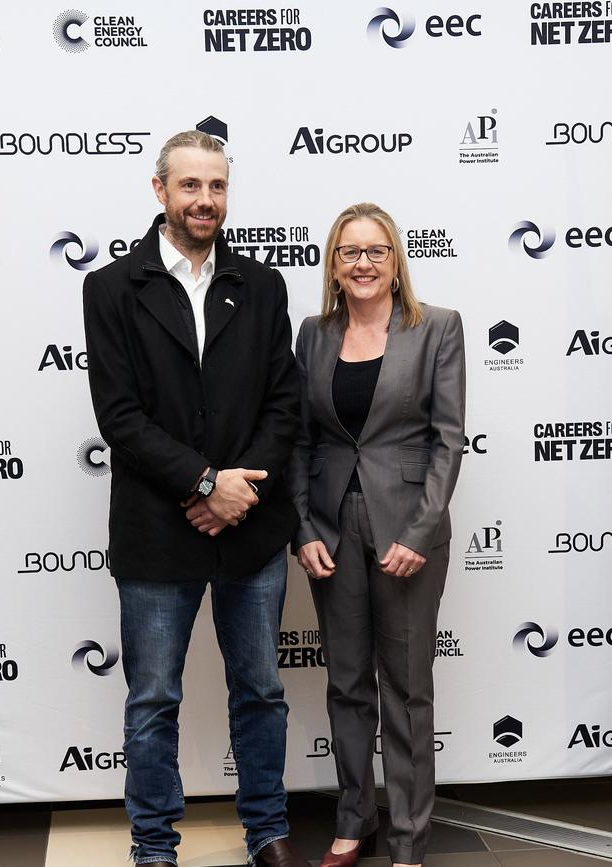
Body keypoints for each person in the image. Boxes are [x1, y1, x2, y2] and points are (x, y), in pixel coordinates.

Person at [83, 130, 309, 867]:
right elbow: (120, 418)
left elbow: (284, 403)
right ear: (160, 191)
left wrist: (237, 491)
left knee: (262, 691)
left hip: (250, 528)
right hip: (158, 530)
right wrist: (207, 482)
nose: (205, 200)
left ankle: (268, 833)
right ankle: (154, 846)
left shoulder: (262, 282)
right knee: (153, 700)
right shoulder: (113, 288)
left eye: (216, 186)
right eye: (190, 186)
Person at [287, 203, 465, 867]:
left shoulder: (437, 329)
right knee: (347, 685)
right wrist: (302, 527)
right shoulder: (313, 333)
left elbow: (448, 442)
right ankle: (353, 818)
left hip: (408, 533)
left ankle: (411, 837)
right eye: (349, 251)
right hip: (332, 532)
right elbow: (300, 440)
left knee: (408, 689)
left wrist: (420, 530)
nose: (363, 263)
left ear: (395, 263)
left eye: (376, 251)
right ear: (333, 265)